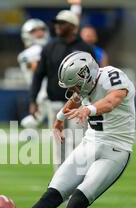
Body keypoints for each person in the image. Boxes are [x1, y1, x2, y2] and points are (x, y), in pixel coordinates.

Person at [0, 51, 136, 208]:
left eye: (75, 85)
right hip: (90, 144)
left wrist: (88, 109)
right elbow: (76, 99)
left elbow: (112, 100)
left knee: (77, 202)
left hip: (116, 151)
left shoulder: (113, 76)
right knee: (53, 193)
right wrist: (59, 119)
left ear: (86, 76)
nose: (73, 91)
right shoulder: (86, 85)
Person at [29, 9, 95, 170]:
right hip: (55, 104)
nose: (57, 26)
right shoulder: (49, 47)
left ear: (73, 26)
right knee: (59, 146)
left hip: (78, 105)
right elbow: (38, 75)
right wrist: (33, 100)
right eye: (57, 23)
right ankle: (58, 185)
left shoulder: (85, 48)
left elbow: (94, 76)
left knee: (78, 143)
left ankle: (78, 183)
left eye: (62, 23)